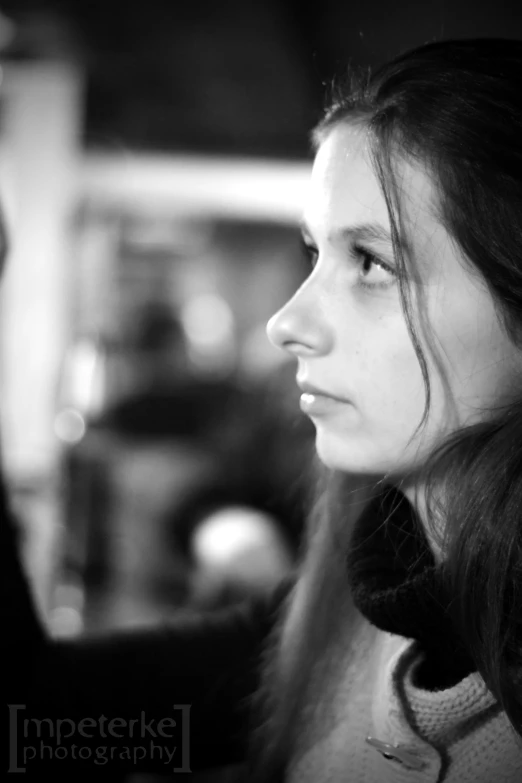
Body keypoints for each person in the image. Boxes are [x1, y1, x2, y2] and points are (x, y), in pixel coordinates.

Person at [5, 37, 522, 782]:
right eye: (315, 254)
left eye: (372, 263)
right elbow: (46, 725)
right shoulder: (351, 606)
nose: (287, 322)